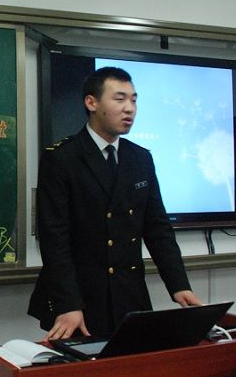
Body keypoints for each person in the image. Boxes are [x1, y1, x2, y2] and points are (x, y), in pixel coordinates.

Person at [28, 66, 201, 341]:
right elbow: (54, 238)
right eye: (119, 99)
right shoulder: (62, 158)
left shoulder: (140, 158)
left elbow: (158, 229)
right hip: (80, 299)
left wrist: (179, 284)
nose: (129, 108)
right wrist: (69, 303)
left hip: (129, 294)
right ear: (91, 102)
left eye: (133, 100)